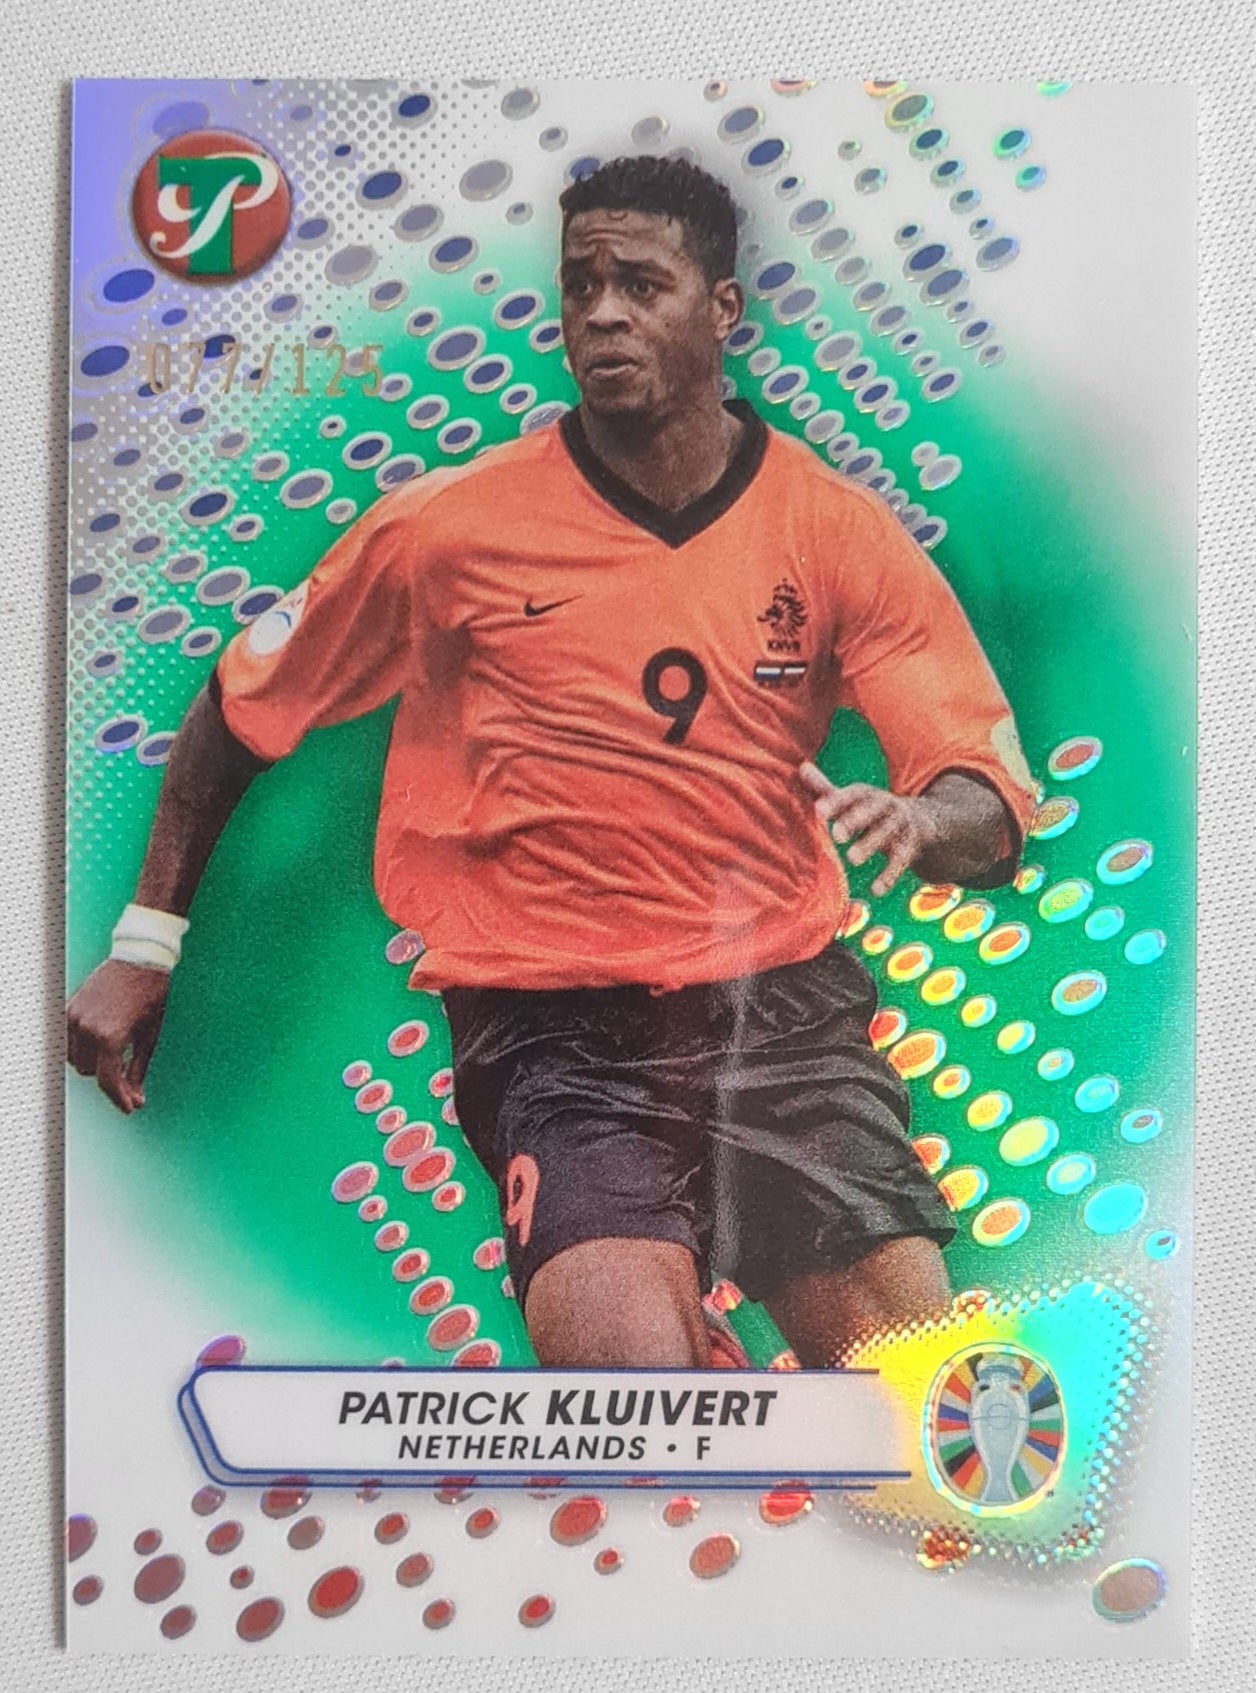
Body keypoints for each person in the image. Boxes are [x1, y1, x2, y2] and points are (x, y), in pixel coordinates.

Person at [66, 155, 1038, 1371]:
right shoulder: (447, 528)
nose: (602, 313)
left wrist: (924, 822)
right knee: (630, 1403)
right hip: (557, 1035)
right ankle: (681, 1359)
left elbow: (980, 794)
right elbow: (238, 708)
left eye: (640, 284)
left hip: (781, 1018)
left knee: (918, 1415)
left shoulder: (831, 529)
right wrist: (145, 942)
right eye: (581, 284)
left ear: (722, 312)